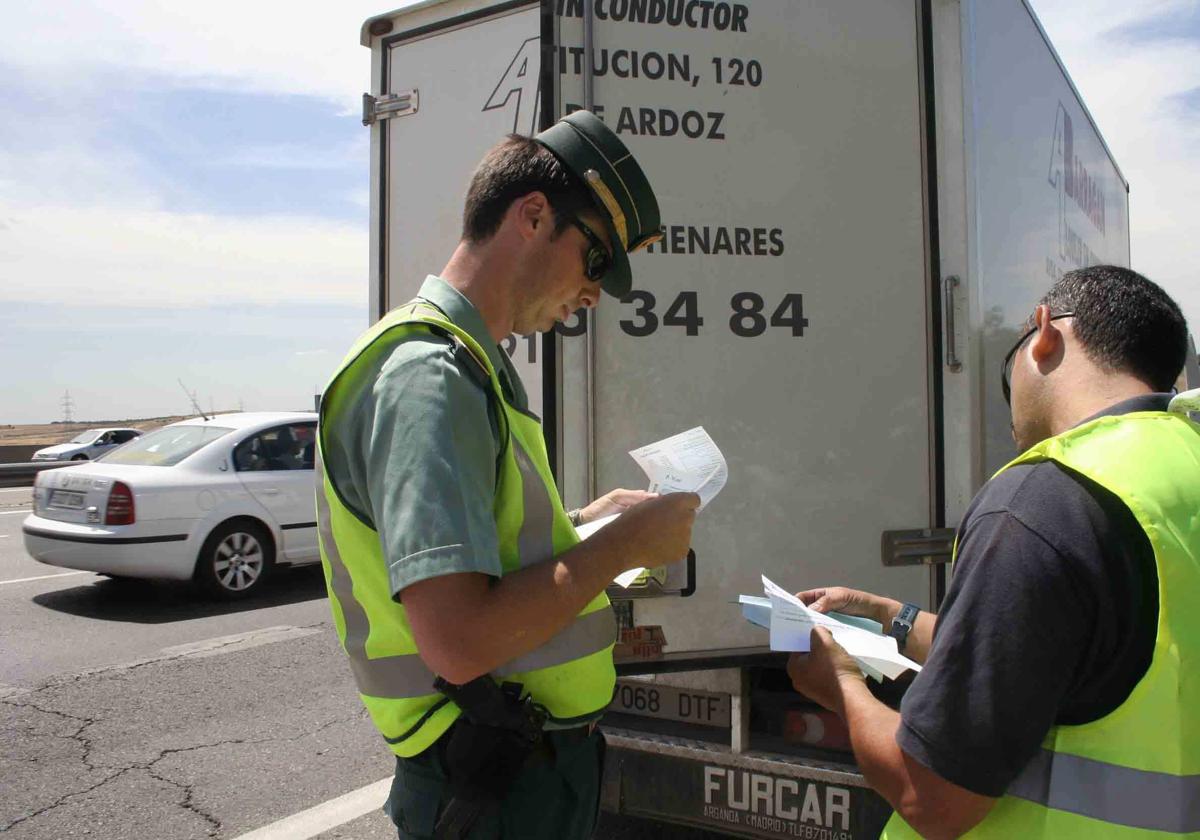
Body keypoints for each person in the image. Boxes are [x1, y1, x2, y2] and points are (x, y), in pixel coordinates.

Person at [314, 110, 700, 840]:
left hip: (511, 773)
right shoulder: (433, 377)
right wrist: (622, 548)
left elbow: (485, 558)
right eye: (595, 262)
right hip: (491, 785)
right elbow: (457, 640)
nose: (595, 295)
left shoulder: (469, 367)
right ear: (532, 217)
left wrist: (590, 524)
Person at [786, 265, 1199, 838]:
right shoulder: (1181, 469)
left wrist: (839, 683)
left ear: (1045, 332)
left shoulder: (1044, 501)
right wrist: (893, 617)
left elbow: (932, 799)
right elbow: (1078, 649)